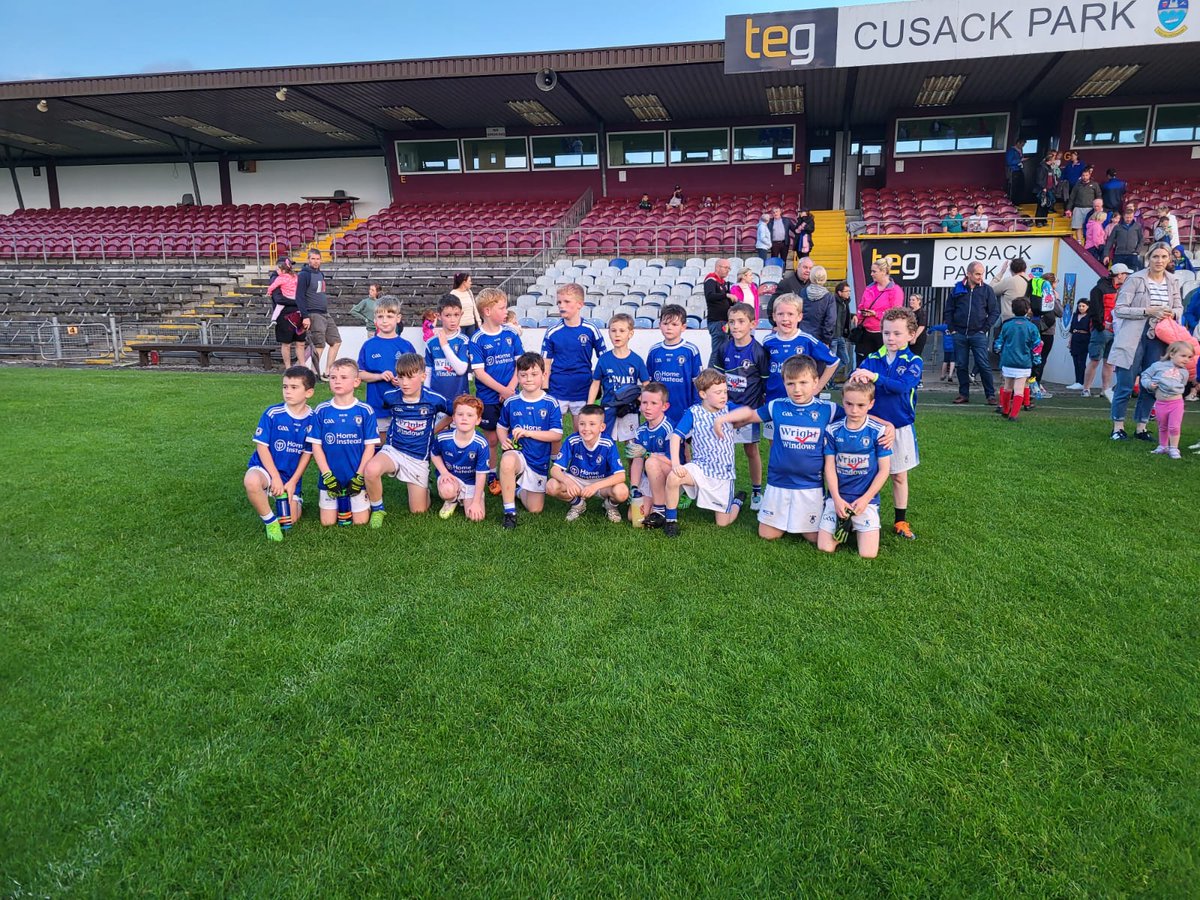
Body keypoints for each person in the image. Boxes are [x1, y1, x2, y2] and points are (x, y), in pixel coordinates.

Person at [716, 356, 867, 544]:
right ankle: (739, 502)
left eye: (803, 382)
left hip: (810, 485)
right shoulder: (776, 406)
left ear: (815, 382)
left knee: (812, 537)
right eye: (791, 383)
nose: (797, 389)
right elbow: (748, 415)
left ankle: (843, 521)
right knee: (767, 535)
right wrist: (723, 420)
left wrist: (888, 427)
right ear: (784, 384)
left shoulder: (828, 409)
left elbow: (860, 415)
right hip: (779, 482)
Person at [849, 307, 922, 539]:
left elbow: (901, 387)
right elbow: (858, 379)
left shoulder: (914, 361)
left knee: (898, 475)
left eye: (897, 334)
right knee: (865, 472)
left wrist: (875, 378)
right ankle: (859, 516)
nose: (891, 338)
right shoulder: (872, 359)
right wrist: (857, 376)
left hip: (900, 427)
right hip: (871, 426)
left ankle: (901, 521)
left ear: (911, 335)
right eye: (887, 333)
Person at [363, 353, 451, 523]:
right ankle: (378, 509)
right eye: (401, 377)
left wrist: (433, 430)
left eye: (410, 377)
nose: (405, 383)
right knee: (371, 470)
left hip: (418, 458)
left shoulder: (435, 399)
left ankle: (425, 487)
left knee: (419, 511)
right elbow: (387, 412)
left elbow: (453, 414)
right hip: (393, 450)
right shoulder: (391, 396)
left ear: (423, 377)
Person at [1110, 242, 1184, 441]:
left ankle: (1141, 427)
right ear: (1148, 258)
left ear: (1169, 259)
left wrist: (1171, 313)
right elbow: (1120, 309)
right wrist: (1147, 311)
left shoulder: (1173, 281)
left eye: (1163, 257)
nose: (1159, 261)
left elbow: (1179, 307)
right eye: (1155, 257)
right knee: (1125, 383)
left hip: (1160, 337)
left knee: (1152, 383)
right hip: (1133, 335)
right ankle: (1118, 427)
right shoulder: (1134, 279)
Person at [661, 369, 747, 537]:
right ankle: (671, 521)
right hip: (700, 468)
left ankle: (737, 501)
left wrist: (724, 419)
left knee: (723, 523)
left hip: (723, 474)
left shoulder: (728, 409)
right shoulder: (694, 412)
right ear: (703, 394)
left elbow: (748, 412)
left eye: (725, 391)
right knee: (674, 477)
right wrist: (676, 464)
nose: (724, 396)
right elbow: (675, 436)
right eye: (718, 392)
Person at [816, 381, 892, 559]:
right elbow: (829, 466)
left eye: (861, 405)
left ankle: (854, 525)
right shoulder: (833, 430)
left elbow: (884, 470)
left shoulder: (878, 431)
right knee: (825, 548)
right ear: (843, 401)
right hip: (839, 498)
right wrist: (836, 499)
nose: (854, 410)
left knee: (868, 554)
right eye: (849, 404)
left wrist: (866, 499)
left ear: (871, 404)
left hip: (866, 500)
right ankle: (846, 523)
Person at [243, 366, 316, 541]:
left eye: (294, 387)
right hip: (266, 470)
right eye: (285, 387)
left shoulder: (313, 419)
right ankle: (270, 521)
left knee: (290, 520)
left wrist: (292, 482)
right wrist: (274, 477)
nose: (287, 392)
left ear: (309, 392)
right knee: (251, 481)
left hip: (290, 477)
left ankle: (291, 497)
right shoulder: (273, 413)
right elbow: (262, 447)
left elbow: (308, 453)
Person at [496, 352, 564, 529]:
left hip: (538, 459)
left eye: (534, 374)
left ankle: (518, 489)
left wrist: (528, 433)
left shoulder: (551, 403)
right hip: (518, 454)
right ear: (517, 376)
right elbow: (501, 426)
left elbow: (556, 434)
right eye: (523, 375)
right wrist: (504, 440)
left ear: (543, 375)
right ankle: (509, 512)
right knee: (507, 461)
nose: (528, 379)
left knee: (535, 509)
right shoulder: (511, 402)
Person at [307, 359, 378, 527]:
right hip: (330, 477)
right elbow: (316, 446)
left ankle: (366, 501)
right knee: (327, 522)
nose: (337, 381)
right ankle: (334, 495)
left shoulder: (365, 410)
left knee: (360, 522)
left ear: (356, 381)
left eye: (343, 377)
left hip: (355, 476)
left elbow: (370, 448)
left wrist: (360, 476)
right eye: (333, 377)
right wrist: (327, 475)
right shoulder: (321, 410)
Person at [469, 287, 524, 490]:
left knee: (515, 435)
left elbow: (520, 363)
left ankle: (517, 474)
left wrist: (510, 388)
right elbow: (480, 373)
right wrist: (502, 390)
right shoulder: (477, 339)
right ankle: (493, 474)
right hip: (489, 399)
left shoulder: (510, 333)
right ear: (487, 311)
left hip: (512, 395)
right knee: (492, 439)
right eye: (502, 308)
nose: (505, 312)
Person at [762, 294, 839, 436]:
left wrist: (818, 386)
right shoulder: (768, 341)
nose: (785, 319)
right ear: (774, 316)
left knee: (797, 441)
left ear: (799, 316)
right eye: (780, 314)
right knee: (774, 443)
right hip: (774, 400)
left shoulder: (806, 340)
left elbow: (833, 361)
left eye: (790, 314)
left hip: (801, 401)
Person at [718, 302, 770, 510]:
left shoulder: (759, 351)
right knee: (724, 450)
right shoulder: (723, 348)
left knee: (751, 450)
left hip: (749, 412)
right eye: (732, 322)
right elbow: (718, 379)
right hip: (727, 410)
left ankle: (757, 491)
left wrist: (754, 411)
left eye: (741, 321)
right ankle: (723, 489)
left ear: (753, 323)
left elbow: (765, 383)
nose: (736, 326)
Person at [546, 405, 629, 523]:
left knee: (622, 492)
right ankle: (578, 504)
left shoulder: (607, 443)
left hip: (600, 482)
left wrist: (595, 486)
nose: (586, 428)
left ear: (602, 427)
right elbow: (554, 470)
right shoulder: (572, 440)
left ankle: (610, 505)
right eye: (582, 424)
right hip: (577, 480)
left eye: (592, 424)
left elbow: (620, 476)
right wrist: (568, 482)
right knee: (551, 486)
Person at [543, 283, 607, 422]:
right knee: (554, 434)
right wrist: (545, 389)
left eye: (566, 301)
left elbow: (604, 360)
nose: (561, 305)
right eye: (559, 302)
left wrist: (599, 383)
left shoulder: (591, 329)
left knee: (581, 432)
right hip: (557, 389)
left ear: (580, 304)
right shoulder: (552, 331)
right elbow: (545, 364)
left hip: (582, 389)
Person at [356, 295, 416, 445]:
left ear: (398, 318)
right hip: (378, 405)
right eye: (380, 316)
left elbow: (416, 375)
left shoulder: (406, 346)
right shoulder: (368, 345)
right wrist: (379, 376)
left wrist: (402, 381)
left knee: (403, 445)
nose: (384, 320)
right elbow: (359, 373)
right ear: (375, 319)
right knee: (380, 446)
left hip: (403, 405)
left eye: (389, 316)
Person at [588, 312, 649, 443]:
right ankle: (606, 463)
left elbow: (646, 384)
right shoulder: (604, 359)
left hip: (630, 407)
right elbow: (596, 383)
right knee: (605, 441)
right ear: (608, 332)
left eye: (622, 331)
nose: (617, 334)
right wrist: (589, 405)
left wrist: (645, 403)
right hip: (609, 406)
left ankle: (633, 464)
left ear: (630, 334)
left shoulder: (636, 360)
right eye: (613, 330)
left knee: (631, 444)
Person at [946, 261, 1000, 405]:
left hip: (978, 334)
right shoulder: (957, 289)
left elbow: (994, 312)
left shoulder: (987, 290)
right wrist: (952, 329)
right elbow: (949, 310)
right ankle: (963, 394)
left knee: (983, 365)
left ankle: (990, 395)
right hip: (960, 333)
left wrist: (985, 329)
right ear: (968, 274)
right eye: (977, 274)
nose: (980, 277)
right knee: (961, 365)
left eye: (982, 274)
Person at [431, 395, 490, 521]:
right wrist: (444, 473)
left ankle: (471, 498)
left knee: (476, 518)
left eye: (470, 415)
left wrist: (476, 502)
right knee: (447, 490)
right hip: (451, 478)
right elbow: (434, 454)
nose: (464, 418)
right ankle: (451, 500)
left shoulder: (481, 443)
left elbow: (481, 475)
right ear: (453, 418)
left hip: (471, 482)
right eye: (460, 414)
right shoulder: (443, 438)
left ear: (478, 420)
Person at [646, 304, 702, 426]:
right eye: (665, 324)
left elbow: (697, 383)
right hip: (659, 410)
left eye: (674, 324)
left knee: (684, 443)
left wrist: (696, 408)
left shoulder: (691, 350)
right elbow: (648, 383)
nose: (669, 328)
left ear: (683, 327)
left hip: (683, 409)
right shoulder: (654, 351)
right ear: (660, 325)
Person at [627, 383, 674, 528]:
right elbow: (637, 460)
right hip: (649, 477)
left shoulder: (669, 428)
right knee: (633, 516)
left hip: (669, 476)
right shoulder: (640, 431)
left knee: (651, 462)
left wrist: (648, 454)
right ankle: (657, 503)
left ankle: (661, 507)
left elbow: (674, 462)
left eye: (653, 403)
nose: (647, 407)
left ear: (664, 406)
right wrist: (634, 486)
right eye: (644, 402)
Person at [1141, 341, 1194, 458]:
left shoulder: (1184, 372)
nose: (1186, 359)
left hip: (1176, 403)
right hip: (1160, 403)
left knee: (1174, 426)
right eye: (1183, 356)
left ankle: (1174, 448)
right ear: (1171, 354)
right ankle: (1163, 446)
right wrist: (1149, 384)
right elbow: (1145, 375)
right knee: (1162, 425)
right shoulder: (1157, 366)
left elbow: (1182, 385)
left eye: (1189, 357)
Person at [1085, 262, 1130, 399]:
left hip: (1115, 330)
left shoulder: (1120, 288)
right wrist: (1101, 326)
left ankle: (1105, 389)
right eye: (1125, 274)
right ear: (1120, 275)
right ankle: (1086, 388)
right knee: (1095, 360)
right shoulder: (1099, 289)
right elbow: (1095, 310)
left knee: (1108, 362)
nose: (1127, 276)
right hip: (1103, 330)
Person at [994, 298, 1043, 421]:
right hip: (1024, 362)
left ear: (1013, 309)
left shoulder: (1007, 325)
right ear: (1028, 310)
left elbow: (998, 343)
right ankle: (1014, 415)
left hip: (1008, 361)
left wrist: (999, 351)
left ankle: (1005, 410)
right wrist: (1037, 361)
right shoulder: (1031, 327)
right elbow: (1037, 346)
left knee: (1007, 387)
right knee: (1019, 390)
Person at [295, 249, 340, 380]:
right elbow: (299, 296)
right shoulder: (304, 275)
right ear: (308, 260)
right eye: (313, 259)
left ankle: (327, 371)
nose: (315, 261)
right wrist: (305, 316)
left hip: (325, 312)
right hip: (313, 313)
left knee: (336, 341)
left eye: (318, 259)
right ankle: (314, 373)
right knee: (319, 344)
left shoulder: (320, 274)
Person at [425, 294, 470, 403]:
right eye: (448, 315)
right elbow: (428, 372)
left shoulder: (464, 341)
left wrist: (445, 346)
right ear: (439, 316)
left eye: (456, 315)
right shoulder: (431, 343)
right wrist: (426, 396)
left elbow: (461, 370)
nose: (453, 320)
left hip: (460, 400)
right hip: (436, 399)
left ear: (461, 314)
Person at [855, 258, 904, 357]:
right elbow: (861, 306)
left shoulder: (895, 291)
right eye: (871, 271)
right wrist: (859, 315)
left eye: (874, 271)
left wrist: (875, 314)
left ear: (883, 272)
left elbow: (896, 314)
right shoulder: (869, 288)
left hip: (883, 335)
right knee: (863, 365)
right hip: (866, 333)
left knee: (883, 365)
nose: (871, 274)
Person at [267, 257, 305, 369]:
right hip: (285, 316)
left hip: (297, 314)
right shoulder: (277, 278)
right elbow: (279, 299)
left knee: (300, 342)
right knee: (286, 343)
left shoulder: (295, 277)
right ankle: (288, 367)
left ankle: (302, 366)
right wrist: (297, 302)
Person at [1030, 271, 1061, 388]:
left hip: (1034, 329)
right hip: (1047, 332)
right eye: (1056, 282)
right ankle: (1035, 384)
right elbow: (1060, 312)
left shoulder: (1035, 292)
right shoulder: (1050, 295)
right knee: (1042, 359)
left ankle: (1030, 383)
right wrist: (1056, 299)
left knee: (1033, 358)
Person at [702, 258, 733, 366]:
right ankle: (709, 377)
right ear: (717, 267)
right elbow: (710, 296)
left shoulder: (723, 283)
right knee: (717, 351)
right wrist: (726, 295)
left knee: (722, 351)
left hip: (723, 321)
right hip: (717, 321)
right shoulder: (710, 280)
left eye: (729, 268)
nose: (728, 270)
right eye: (726, 267)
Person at [799, 265, 837, 347]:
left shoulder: (802, 292)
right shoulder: (829, 297)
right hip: (819, 338)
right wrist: (827, 340)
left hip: (802, 335)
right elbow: (830, 321)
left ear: (811, 277)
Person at [771, 256, 813, 322]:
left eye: (810, 268)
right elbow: (772, 305)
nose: (808, 270)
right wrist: (774, 325)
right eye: (805, 267)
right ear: (798, 267)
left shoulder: (813, 285)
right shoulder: (786, 283)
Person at [1103, 206, 1145, 271]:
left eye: (1131, 217)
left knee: (1131, 275)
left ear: (1133, 216)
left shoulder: (1138, 226)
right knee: (1117, 274)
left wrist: (1137, 251)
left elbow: (1141, 240)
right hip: (1119, 255)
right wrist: (1106, 255)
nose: (1129, 219)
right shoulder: (1117, 227)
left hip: (1132, 255)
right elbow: (1110, 241)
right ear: (1123, 217)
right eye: (1127, 217)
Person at [991, 257, 1031, 323]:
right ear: (1025, 269)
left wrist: (1002, 272)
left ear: (1011, 269)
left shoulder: (1010, 281)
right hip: (1027, 319)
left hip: (1010, 320)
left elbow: (991, 289)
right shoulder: (1031, 281)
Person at [830, 281, 856, 378]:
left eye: (849, 291)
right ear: (839, 293)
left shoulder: (845, 302)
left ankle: (829, 380)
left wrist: (853, 316)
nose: (849, 293)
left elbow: (843, 316)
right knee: (831, 362)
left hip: (840, 336)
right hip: (833, 336)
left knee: (845, 360)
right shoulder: (833, 302)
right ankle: (827, 381)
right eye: (846, 291)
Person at [1068, 168, 1102, 242]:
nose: (1085, 177)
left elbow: (1098, 197)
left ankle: (1088, 242)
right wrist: (1068, 209)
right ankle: (1079, 242)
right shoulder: (1077, 185)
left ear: (1089, 175)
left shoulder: (1094, 184)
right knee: (1078, 227)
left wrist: (1099, 208)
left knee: (1090, 226)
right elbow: (1072, 197)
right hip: (1078, 208)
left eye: (1086, 175)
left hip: (1090, 209)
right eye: (1083, 175)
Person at [1067, 299, 1093, 390]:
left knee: (1081, 361)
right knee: (1075, 361)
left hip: (1084, 339)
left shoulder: (1090, 316)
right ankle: (1077, 381)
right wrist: (1070, 341)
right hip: (1075, 338)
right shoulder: (1075, 315)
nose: (1081, 308)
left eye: (1083, 306)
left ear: (1088, 307)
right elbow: (1071, 329)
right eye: (1079, 306)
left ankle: (1082, 382)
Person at [450, 272, 479, 336]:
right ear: (464, 282)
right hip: (460, 326)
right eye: (469, 281)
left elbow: (474, 308)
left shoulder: (469, 292)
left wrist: (479, 322)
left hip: (471, 325)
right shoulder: (453, 293)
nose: (471, 283)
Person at [1033, 154, 1057, 226]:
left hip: (1049, 189)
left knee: (1047, 205)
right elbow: (1039, 179)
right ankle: (1038, 221)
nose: (1054, 160)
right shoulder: (1041, 167)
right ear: (1050, 160)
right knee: (1041, 205)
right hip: (1042, 190)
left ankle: (1044, 220)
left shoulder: (1050, 167)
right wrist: (1043, 188)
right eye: (1053, 159)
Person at [1005, 138, 1026, 205]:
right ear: (1018, 143)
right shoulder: (1011, 151)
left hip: (1019, 170)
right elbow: (1009, 162)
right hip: (1013, 171)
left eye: (1024, 145)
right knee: (1013, 188)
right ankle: (1012, 203)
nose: (1022, 146)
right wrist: (1020, 160)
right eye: (1022, 144)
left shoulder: (1020, 150)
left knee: (1020, 186)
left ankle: (1017, 202)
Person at [908, 293, 929, 359]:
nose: (911, 301)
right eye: (910, 300)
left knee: (915, 355)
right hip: (909, 336)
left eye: (913, 300)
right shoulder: (909, 312)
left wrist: (914, 338)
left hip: (918, 337)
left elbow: (922, 326)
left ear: (919, 301)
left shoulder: (921, 312)